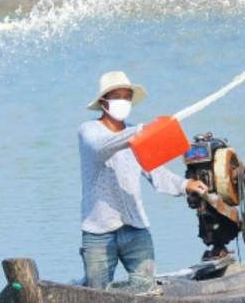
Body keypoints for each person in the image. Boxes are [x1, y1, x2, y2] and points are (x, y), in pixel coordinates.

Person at [78, 70, 208, 292]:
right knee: (95, 292)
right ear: (103, 102)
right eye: (117, 97)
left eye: (127, 97)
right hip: (99, 232)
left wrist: (184, 185)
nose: (124, 102)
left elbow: (155, 171)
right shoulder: (89, 130)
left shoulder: (134, 132)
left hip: (136, 228)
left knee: (146, 289)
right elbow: (103, 146)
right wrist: (139, 132)